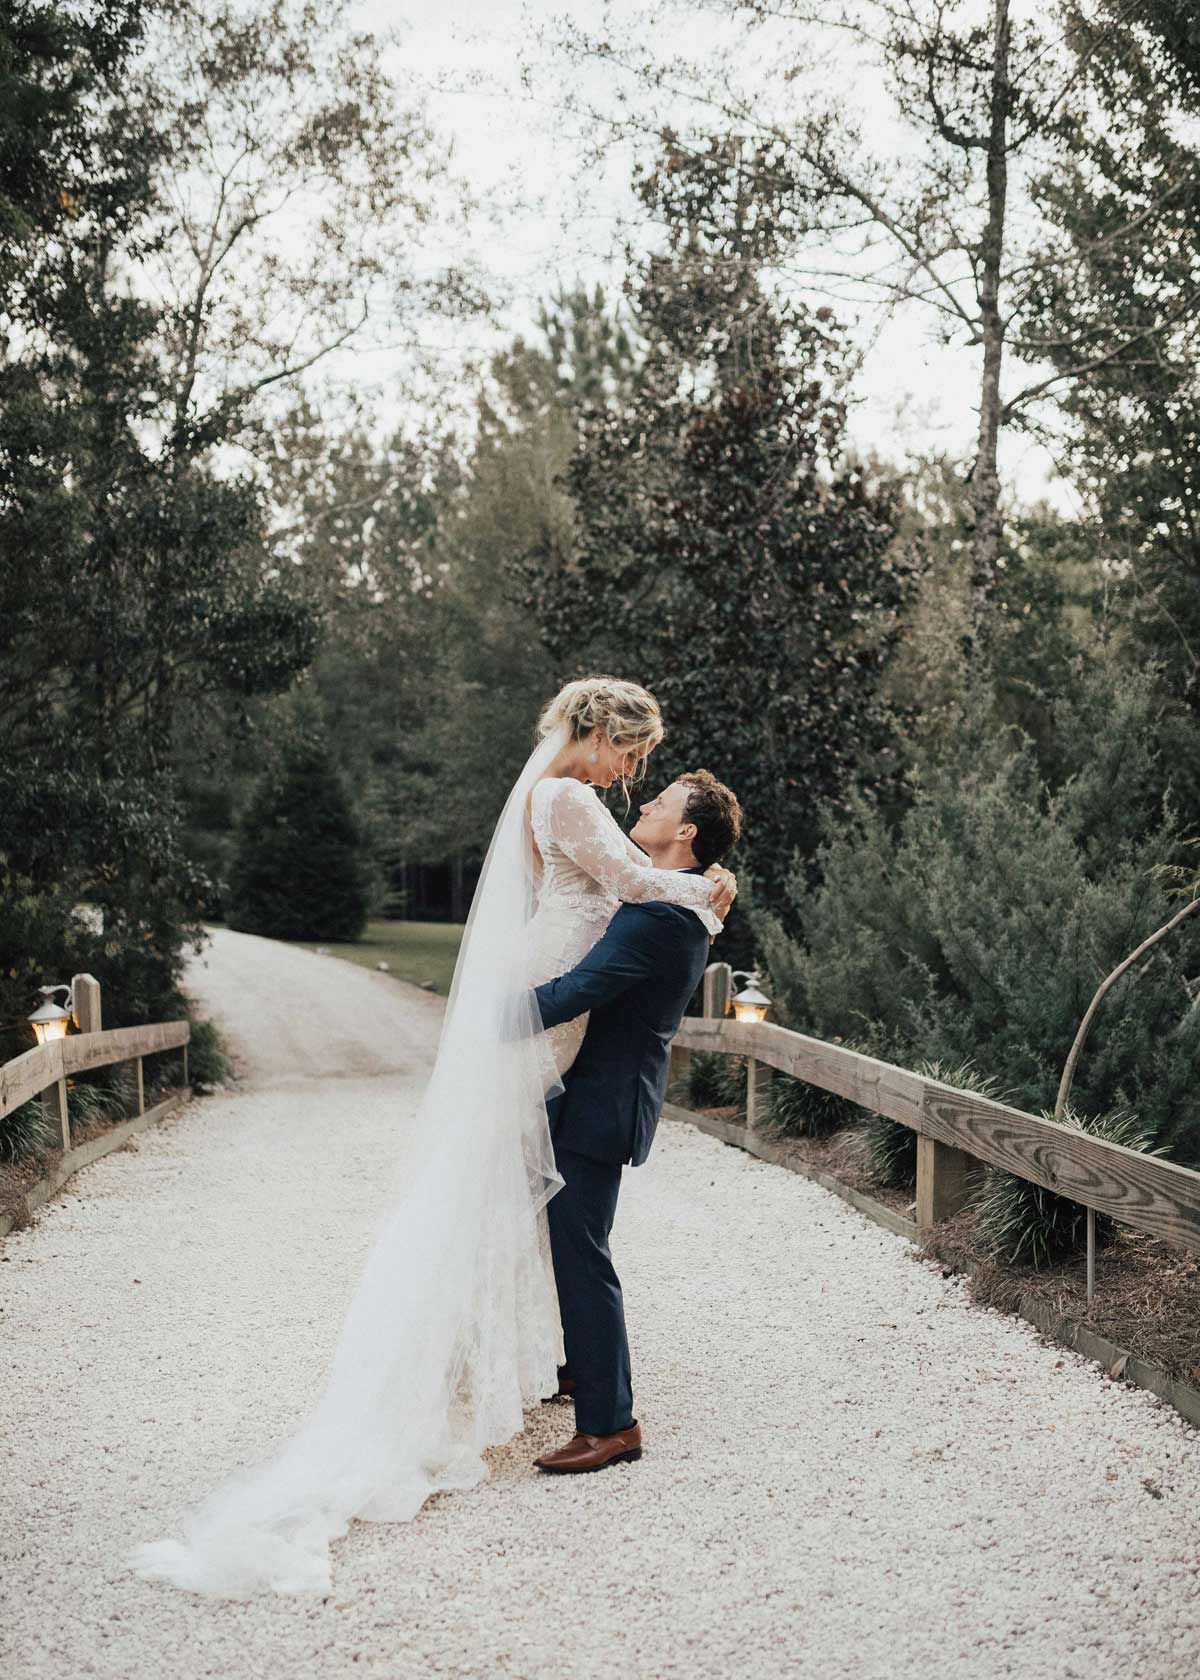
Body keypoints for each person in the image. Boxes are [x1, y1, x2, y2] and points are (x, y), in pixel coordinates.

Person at [127, 677, 736, 1598]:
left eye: (648, 776)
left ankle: (544, 1378)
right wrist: (704, 892)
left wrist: (689, 895)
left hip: (562, 1026)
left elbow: (613, 911)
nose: (633, 777)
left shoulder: (572, 809)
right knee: (510, 1199)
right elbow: (623, 889)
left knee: (524, 1204)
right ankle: (491, 1381)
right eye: (633, 755)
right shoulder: (570, 798)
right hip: (544, 1013)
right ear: (601, 731)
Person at [528, 770, 744, 1473]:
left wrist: (485, 1018)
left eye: (662, 803)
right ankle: (580, 1369)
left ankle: (611, 1424)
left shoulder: (659, 918)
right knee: (570, 1243)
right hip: (601, 1097)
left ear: (685, 832)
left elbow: (578, 991)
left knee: (583, 1251)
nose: (644, 803)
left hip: (601, 1104)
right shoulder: (671, 900)